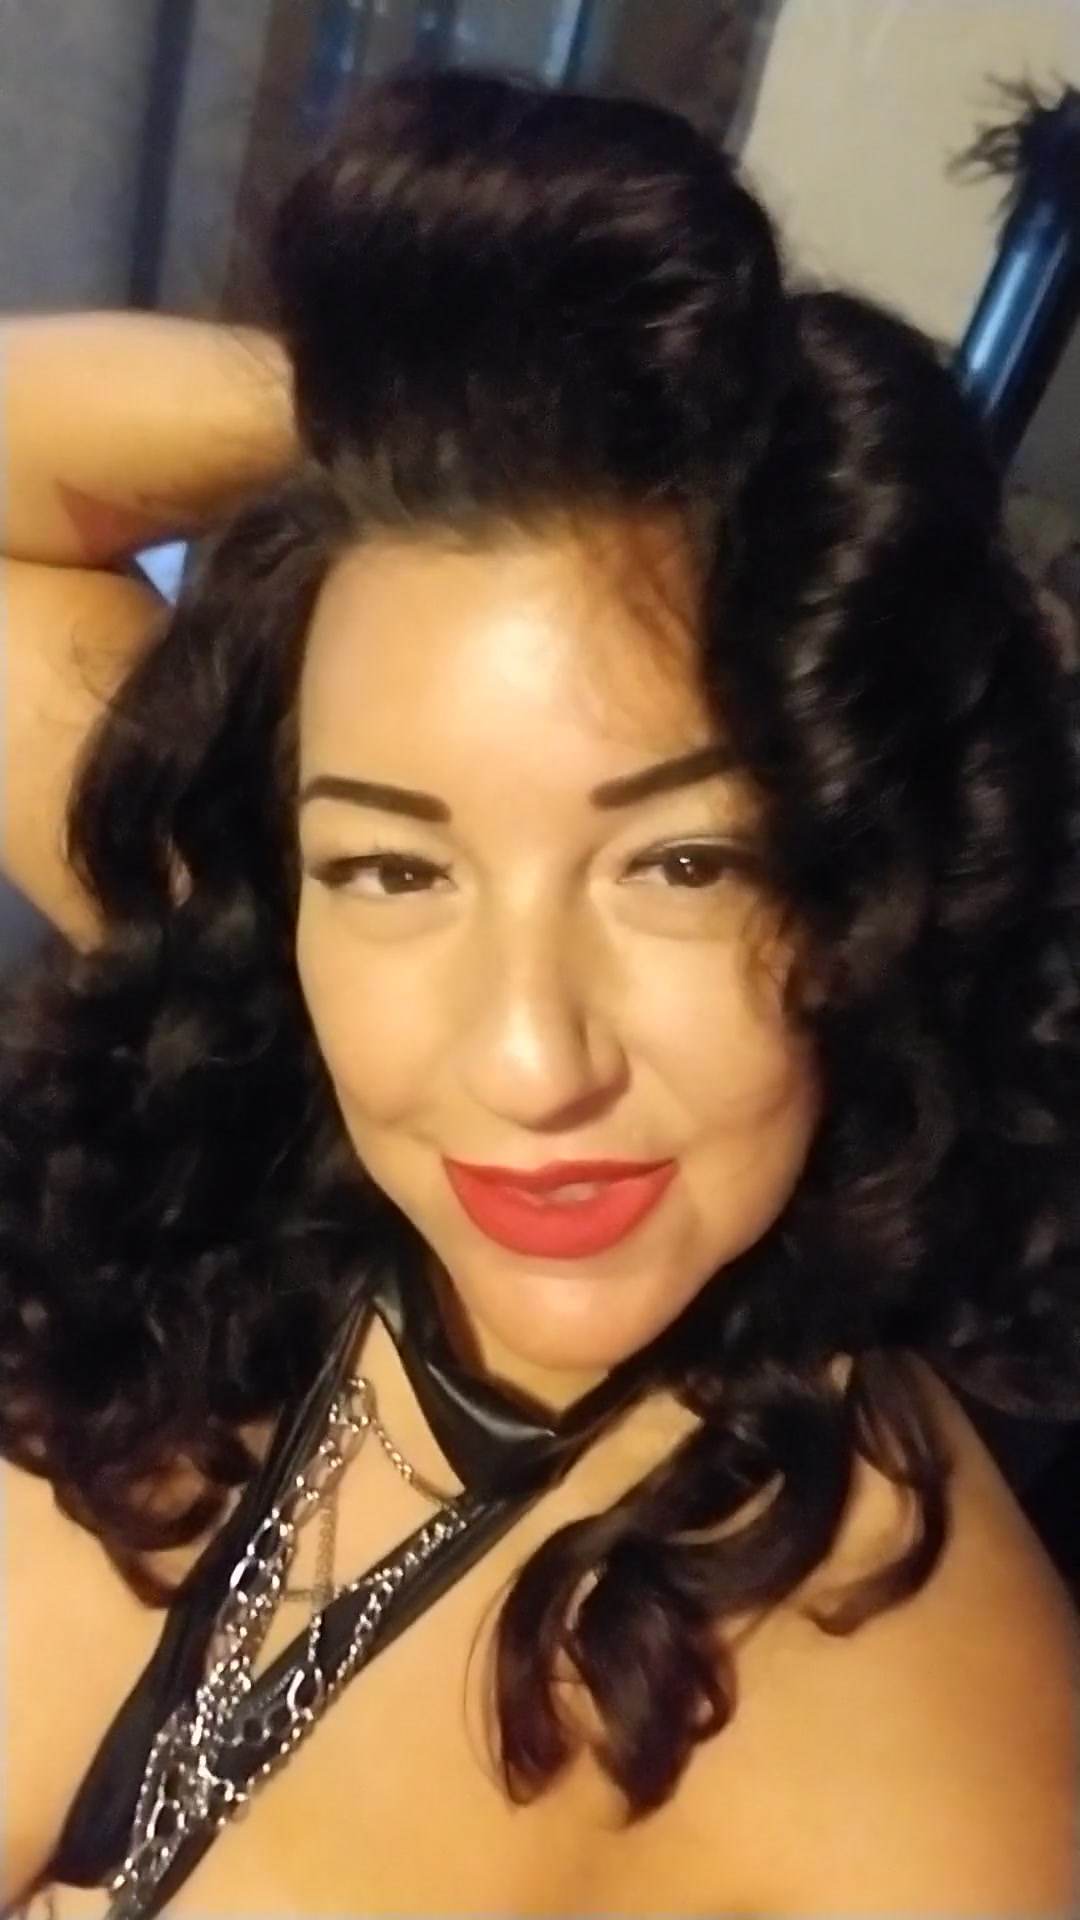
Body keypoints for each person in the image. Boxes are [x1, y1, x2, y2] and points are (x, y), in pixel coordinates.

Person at [1, 64, 1078, 1918]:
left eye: (684, 865)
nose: (523, 1059)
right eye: (394, 868)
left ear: (867, 882)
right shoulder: (259, 1049)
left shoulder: (936, 1779)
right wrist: (447, 412)